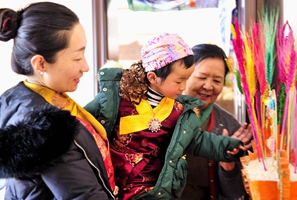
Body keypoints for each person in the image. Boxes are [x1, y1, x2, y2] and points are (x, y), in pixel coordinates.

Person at [0, 2, 116, 199]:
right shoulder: (47, 131)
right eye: (77, 57)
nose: (86, 66)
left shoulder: (22, 98)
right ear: (40, 63)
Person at [85, 33, 251, 199]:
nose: (183, 87)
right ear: (153, 77)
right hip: (112, 186)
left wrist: (229, 148)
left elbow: (199, 141)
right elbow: (83, 122)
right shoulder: (117, 99)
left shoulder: (180, 111)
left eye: (217, 80)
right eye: (180, 81)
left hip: (155, 192)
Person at [179, 43, 252, 200]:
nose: (208, 86)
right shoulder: (158, 115)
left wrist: (228, 167)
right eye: (201, 77)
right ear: (185, 75)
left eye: (217, 80)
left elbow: (236, 195)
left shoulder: (229, 127)